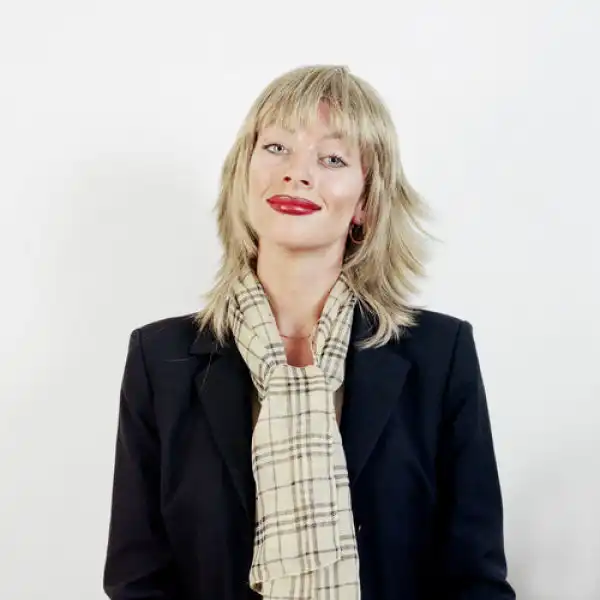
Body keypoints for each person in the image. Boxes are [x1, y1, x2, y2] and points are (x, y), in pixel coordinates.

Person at [103, 64, 516, 600]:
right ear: (243, 173)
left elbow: (474, 580)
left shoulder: (440, 354)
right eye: (276, 148)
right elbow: (138, 581)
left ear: (365, 202)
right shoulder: (160, 359)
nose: (296, 174)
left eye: (332, 158)